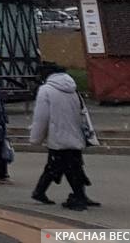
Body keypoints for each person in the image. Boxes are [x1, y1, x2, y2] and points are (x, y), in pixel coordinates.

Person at [30, 64, 101, 211]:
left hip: (57, 135)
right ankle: (78, 195)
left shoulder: (46, 90)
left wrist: (36, 138)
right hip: (75, 133)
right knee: (72, 166)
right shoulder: (73, 88)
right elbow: (82, 112)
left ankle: (46, 192)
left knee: (59, 166)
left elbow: (41, 117)